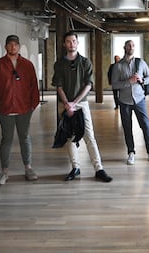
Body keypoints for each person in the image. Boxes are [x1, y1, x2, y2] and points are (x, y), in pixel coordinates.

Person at [51, 31, 113, 183]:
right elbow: (58, 85)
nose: (71, 44)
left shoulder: (85, 62)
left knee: (88, 135)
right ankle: (75, 167)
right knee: (69, 137)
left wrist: (75, 102)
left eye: (73, 41)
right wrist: (67, 104)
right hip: (64, 104)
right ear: (64, 44)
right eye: (68, 41)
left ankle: (99, 169)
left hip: (81, 102)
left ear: (77, 43)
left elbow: (88, 85)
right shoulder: (59, 64)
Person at [0, 34, 40, 185]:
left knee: (25, 138)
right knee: (6, 140)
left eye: (15, 44)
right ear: (6, 47)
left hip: (24, 108)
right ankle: (4, 171)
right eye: (10, 44)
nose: (13, 47)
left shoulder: (27, 65)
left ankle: (28, 168)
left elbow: (33, 86)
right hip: (5, 109)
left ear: (18, 46)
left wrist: (33, 104)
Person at [111, 40, 149, 165]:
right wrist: (129, 81)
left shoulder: (141, 63)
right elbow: (114, 84)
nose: (131, 47)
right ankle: (131, 152)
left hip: (140, 99)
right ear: (124, 47)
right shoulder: (117, 66)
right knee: (127, 127)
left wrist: (142, 80)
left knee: (145, 125)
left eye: (133, 45)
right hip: (124, 101)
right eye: (129, 45)